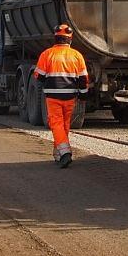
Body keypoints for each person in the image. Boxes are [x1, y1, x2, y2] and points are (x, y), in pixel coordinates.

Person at [33, 24, 89, 168]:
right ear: (70, 40)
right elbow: (83, 79)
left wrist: (49, 81)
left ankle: (65, 153)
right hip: (70, 95)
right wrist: (83, 95)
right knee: (64, 124)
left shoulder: (47, 54)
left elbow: (38, 76)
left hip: (52, 96)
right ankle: (59, 154)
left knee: (56, 123)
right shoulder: (77, 55)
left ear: (56, 38)